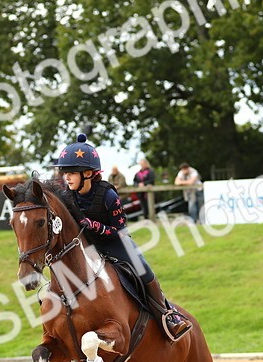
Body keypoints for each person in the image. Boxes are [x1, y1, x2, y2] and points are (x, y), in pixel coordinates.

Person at [55, 134, 191, 340]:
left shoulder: (108, 195)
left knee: (144, 270)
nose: (67, 177)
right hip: (88, 248)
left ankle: (168, 316)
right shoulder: (66, 196)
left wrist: (94, 226)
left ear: (89, 174)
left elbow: (119, 229)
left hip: (115, 243)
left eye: (72, 173)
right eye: (66, 173)